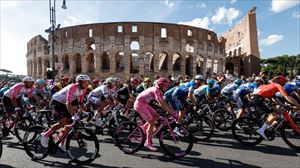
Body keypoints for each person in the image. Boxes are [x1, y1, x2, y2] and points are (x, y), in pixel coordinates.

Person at [40, 75, 90, 151]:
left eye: (88, 82)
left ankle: (62, 143)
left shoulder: (83, 89)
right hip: (56, 102)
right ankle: (45, 134)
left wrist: (86, 112)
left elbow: (80, 103)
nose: (87, 84)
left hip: (63, 104)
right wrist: (74, 115)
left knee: (70, 124)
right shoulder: (73, 87)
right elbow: (68, 103)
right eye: (85, 82)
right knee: (63, 122)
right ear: (79, 82)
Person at [134, 77, 176, 151]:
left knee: (156, 116)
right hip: (139, 105)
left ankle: (143, 129)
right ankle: (147, 142)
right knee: (152, 121)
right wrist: (172, 112)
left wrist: (171, 110)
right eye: (166, 86)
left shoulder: (159, 90)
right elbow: (161, 104)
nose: (167, 87)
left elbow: (163, 102)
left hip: (144, 104)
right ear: (160, 85)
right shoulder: (156, 90)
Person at [252, 75, 300, 140]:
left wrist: (284, 106)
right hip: (258, 99)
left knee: (278, 111)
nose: (284, 84)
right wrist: (297, 105)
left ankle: (269, 127)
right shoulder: (278, 86)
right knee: (274, 115)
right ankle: (261, 130)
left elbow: (275, 100)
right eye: (284, 83)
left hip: (256, 98)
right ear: (281, 82)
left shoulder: (271, 85)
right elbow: (287, 98)